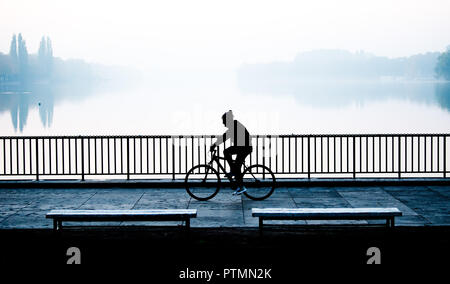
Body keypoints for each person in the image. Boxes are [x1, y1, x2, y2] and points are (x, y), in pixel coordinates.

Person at [210, 110, 253, 195]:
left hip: (244, 148)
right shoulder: (234, 125)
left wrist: (214, 145)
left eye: (224, 121)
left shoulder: (234, 125)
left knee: (228, 154)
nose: (223, 123)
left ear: (227, 120)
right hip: (242, 147)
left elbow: (224, 137)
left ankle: (241, 186)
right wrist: (215, 145)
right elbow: (224, 137)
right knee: (233, 162)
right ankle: (235, 176)